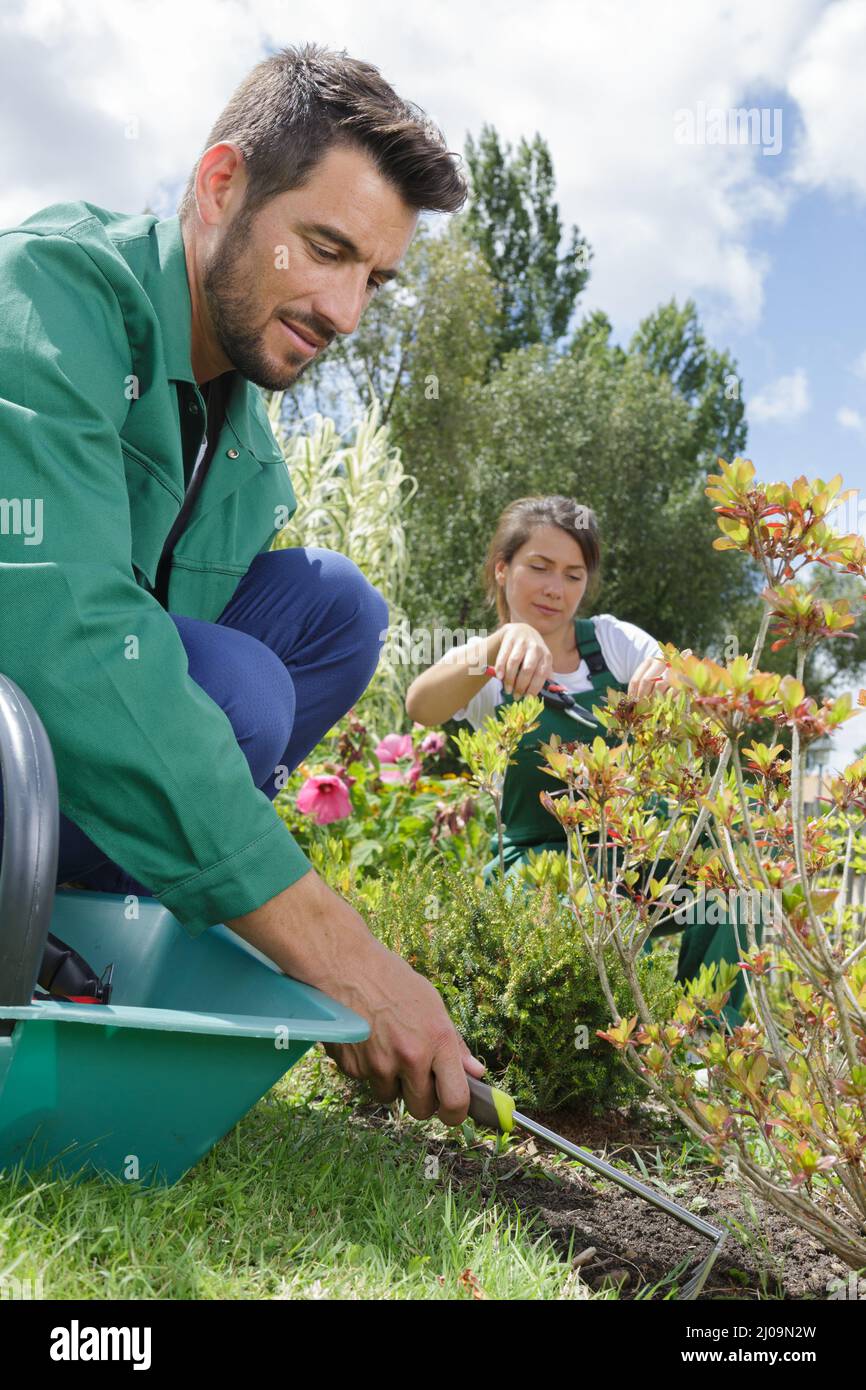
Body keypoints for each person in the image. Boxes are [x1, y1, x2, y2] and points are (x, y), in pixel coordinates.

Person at [0, 43, 486, 1125]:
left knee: (334, 607)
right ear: (222, 185)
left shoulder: (250, 446)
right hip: (13, 726)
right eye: (324, 249)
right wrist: (338, 953)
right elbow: (66, 638)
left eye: (373, 277)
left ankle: (94, 919)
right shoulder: (46, 294)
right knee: (237, 688)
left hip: (62, 767)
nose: (347, 310)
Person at [405, 495, 761, 1028]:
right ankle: (608, 1056)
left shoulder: (610, 642)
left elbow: (686, 677)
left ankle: (706, 1047)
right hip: (538, 867)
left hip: (630, 854)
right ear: (503, 569)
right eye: (540, 568)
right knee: (598, 918)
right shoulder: (481, 664)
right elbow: (421, 704)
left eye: (573, 576)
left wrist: (677, 677)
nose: (556, 589)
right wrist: (502, 642)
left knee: (733, 882)